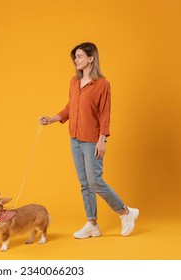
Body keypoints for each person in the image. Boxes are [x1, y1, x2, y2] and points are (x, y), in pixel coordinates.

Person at [39, 42, 139, 238]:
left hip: (93, 140)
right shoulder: (74, 82)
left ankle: (126, 212)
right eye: (75, 57)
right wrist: (52, 119)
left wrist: (102, 139)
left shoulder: (102, 84)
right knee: (84, 183)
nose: (76, 60)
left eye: (79, 56)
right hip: (75, 139)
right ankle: (92, 223)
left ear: (91, 58)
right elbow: (70, 107)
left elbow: (104, 114)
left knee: (95, 182)